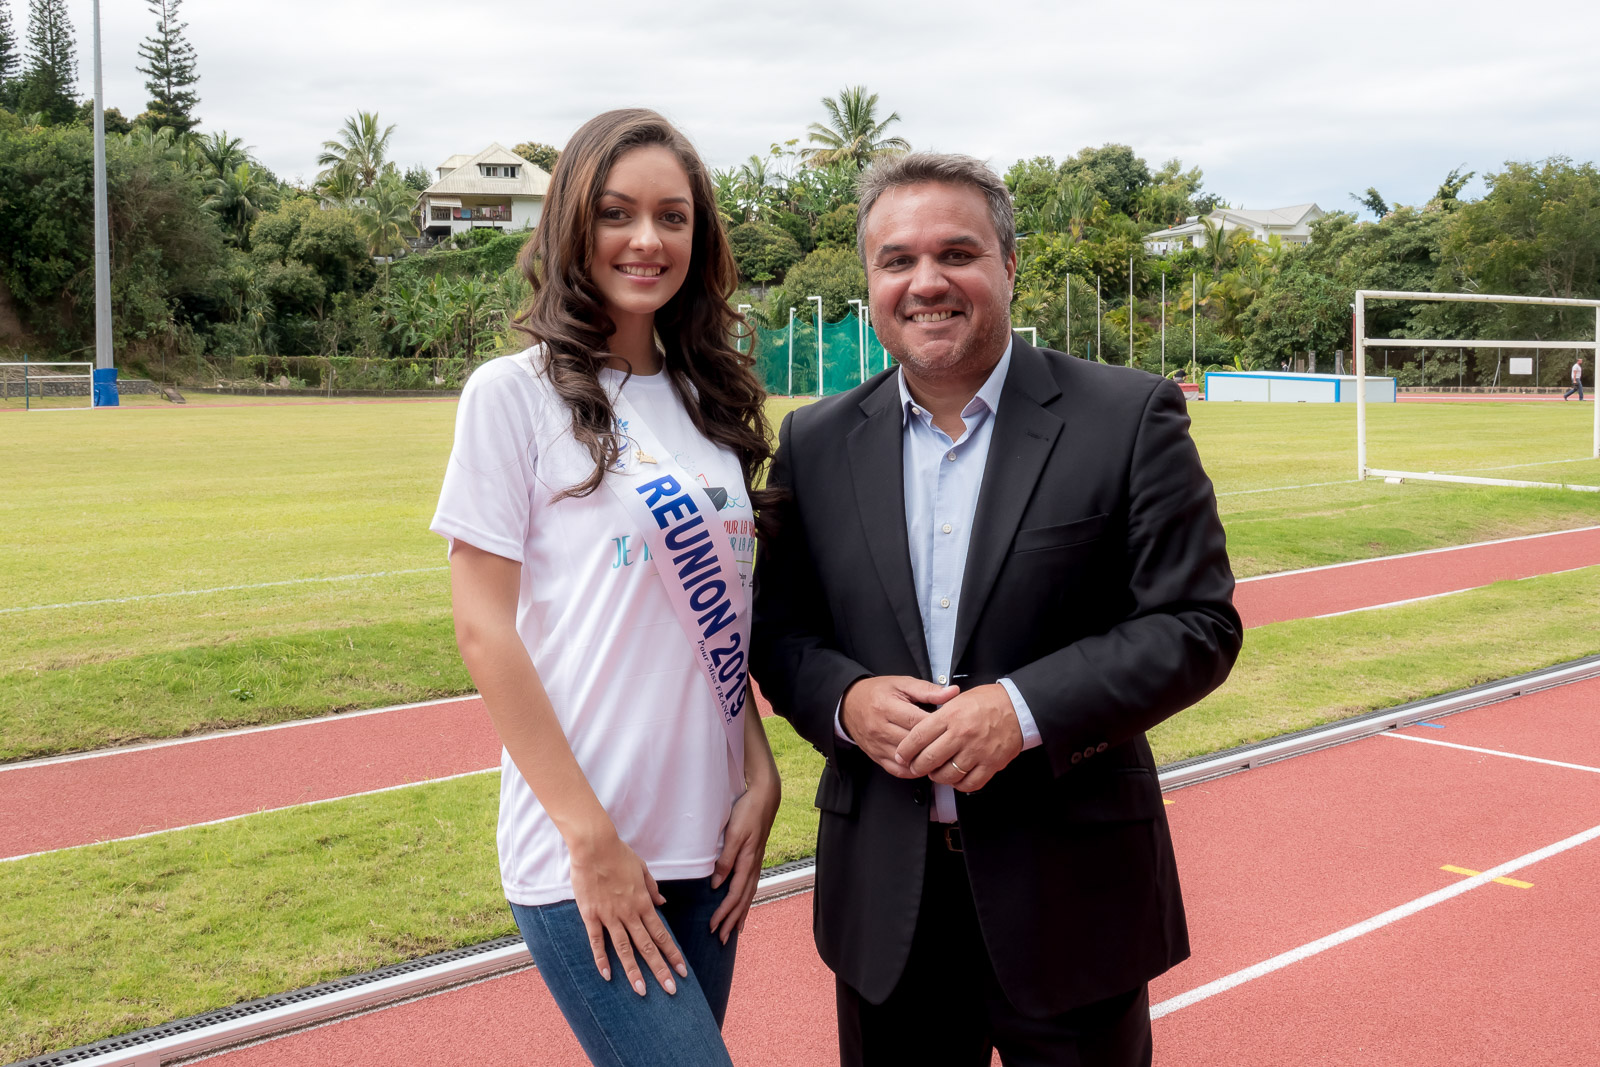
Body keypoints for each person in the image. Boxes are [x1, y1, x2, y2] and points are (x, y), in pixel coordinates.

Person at [751, 153, 1243, 1067]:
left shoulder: (1128, 415)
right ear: (870, 284)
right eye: (896, 259)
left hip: (1071, 900)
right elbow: (778, 633)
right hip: (885, 911)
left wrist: (1020, 712)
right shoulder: (814, 444)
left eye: (957, 253)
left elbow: (1196, 624)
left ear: (1009, 267)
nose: (926, 281)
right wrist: (847, 703)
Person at [430, 109, 780, 1067]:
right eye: (617, 214)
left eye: (674, 216)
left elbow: (713, 620)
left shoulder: (714, 399)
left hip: (708, 846)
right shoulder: (513, 394)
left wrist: (758, 766)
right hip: (589, 853)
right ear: (572, 228)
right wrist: (590, 839)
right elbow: (483, 631)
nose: (646, 240)